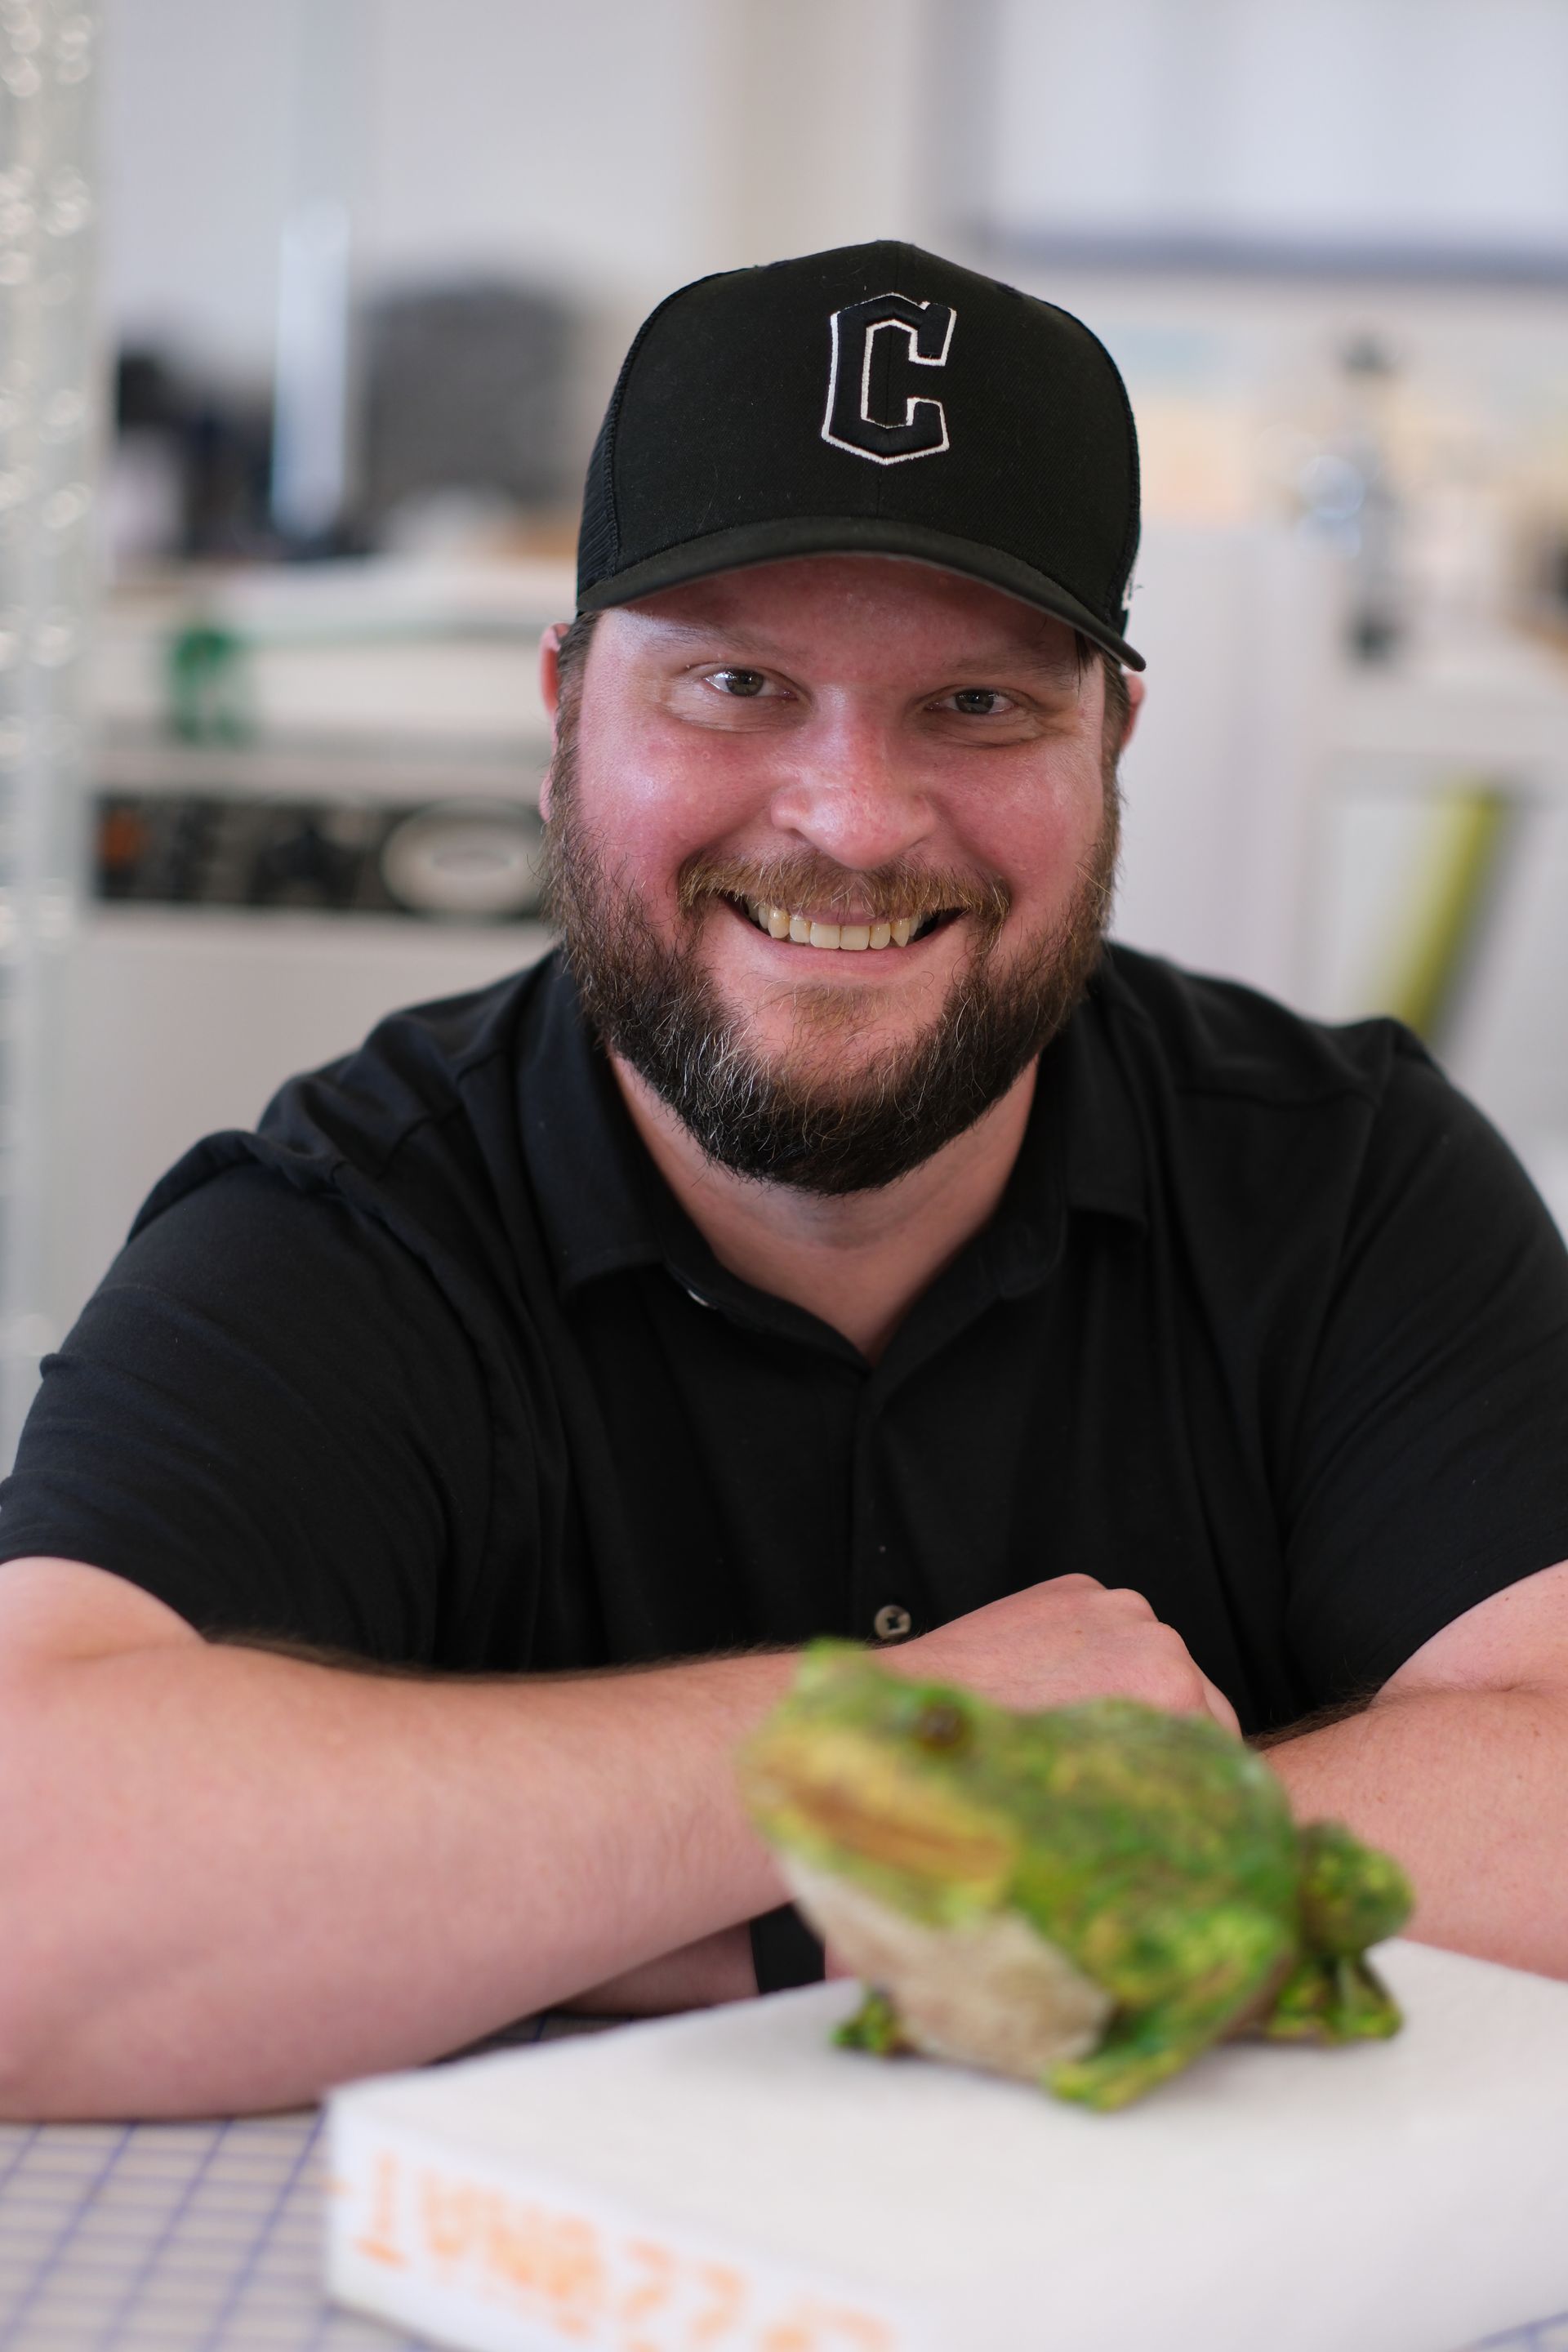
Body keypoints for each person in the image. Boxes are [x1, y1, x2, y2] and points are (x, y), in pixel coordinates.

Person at [2, 242, 1567, 2123]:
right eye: (739, 684)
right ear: (571, 703)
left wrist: (753, 1910)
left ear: (1112, 739)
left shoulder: (1348, 1180)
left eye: (977, 707)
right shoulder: (355, 1226)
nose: (851, 820)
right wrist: (878, 1746)